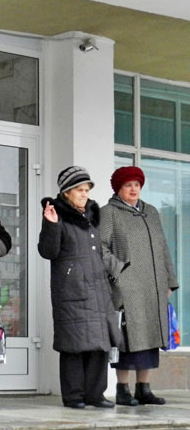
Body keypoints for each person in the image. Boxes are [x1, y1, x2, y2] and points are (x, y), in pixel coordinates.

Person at [37, 166, 117, 409]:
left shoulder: (91, 218)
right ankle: (73, 396)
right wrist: (51, 225)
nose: (84, 194)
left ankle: (95, 395)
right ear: (66, 193)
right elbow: (48, 251)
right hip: (71, 291)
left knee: (99, 343)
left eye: (86, 190)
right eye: (79, 190)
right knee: (74, 345)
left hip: (97, 289)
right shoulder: (57, 216)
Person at [100, 166, 178, 406]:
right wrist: (119, 271)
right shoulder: (109, 213)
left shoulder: (151, 212)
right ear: (118, 188)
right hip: (127, 287)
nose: (133, 189)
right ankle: (122, 389)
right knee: (127, 339)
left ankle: (144, 388)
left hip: (154, 286)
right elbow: (100, 247)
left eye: (136, 184)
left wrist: (170, 281)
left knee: (151, 338)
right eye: (128, 185)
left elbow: (163, 247)